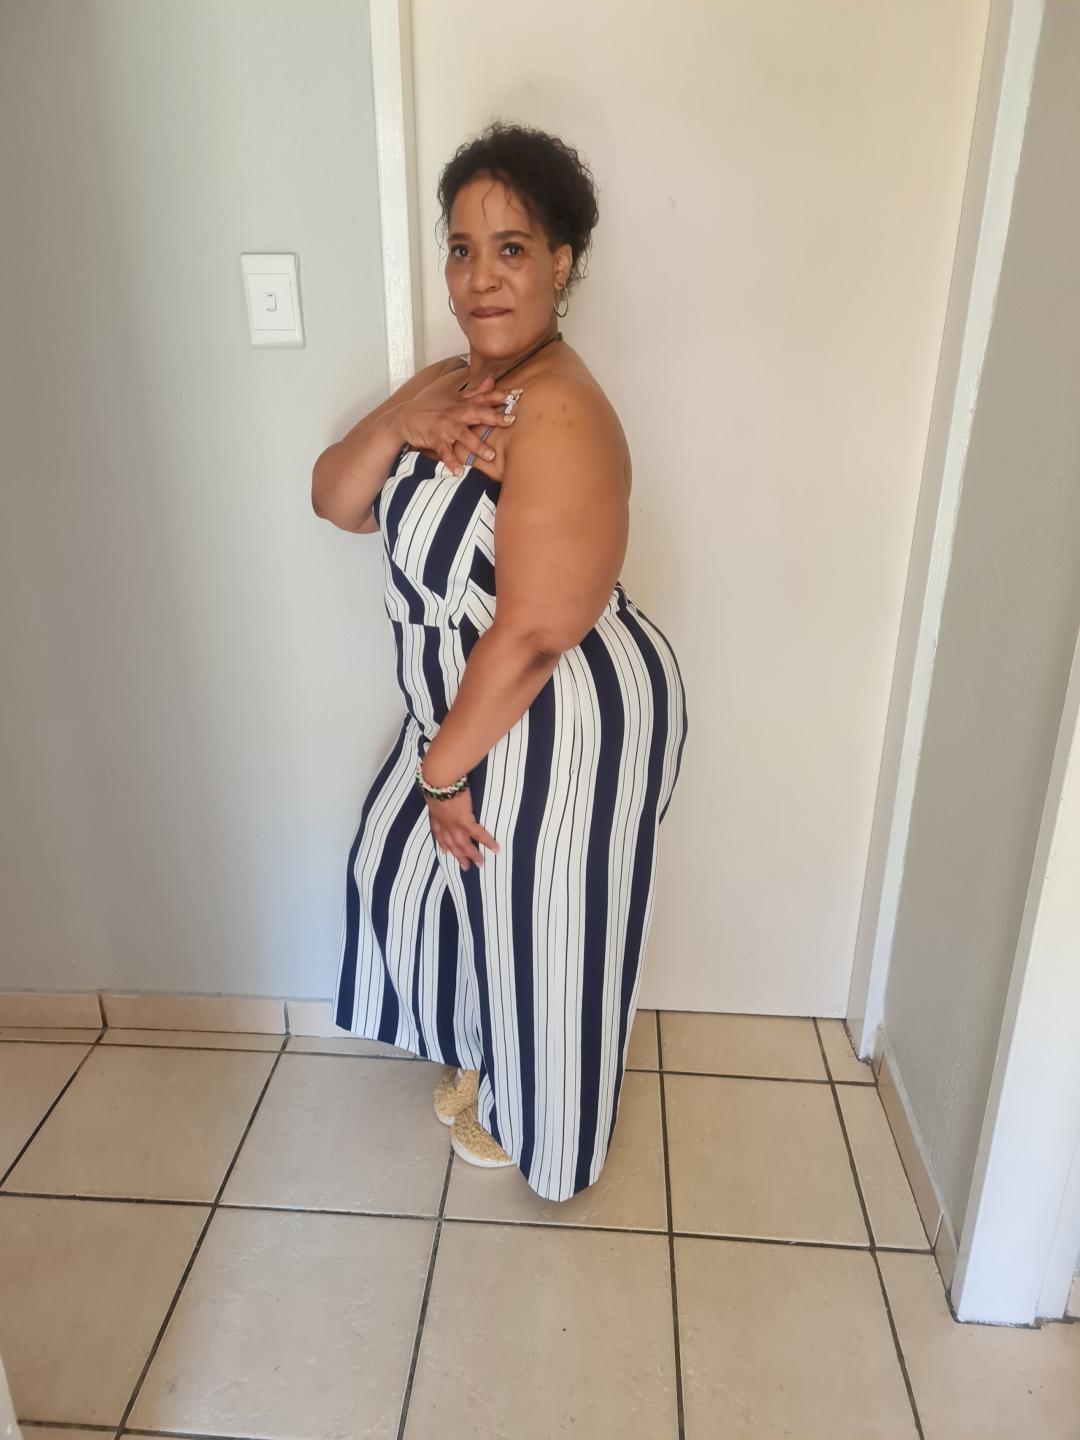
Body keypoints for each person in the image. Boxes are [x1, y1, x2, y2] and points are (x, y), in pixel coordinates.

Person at [312, 121, 688, 1202]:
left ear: (561, 264)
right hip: (479, 703)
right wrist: (400, 418)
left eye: (511, 248)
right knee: (409, 873)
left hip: (564, 710)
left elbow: (532, 633)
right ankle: (489, 1049)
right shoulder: (454, 383)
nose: (480, 278)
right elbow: (337, 500)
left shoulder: (559, 409)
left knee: (549, 936)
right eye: (462, 248)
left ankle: (551, 1139)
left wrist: (441, 773)